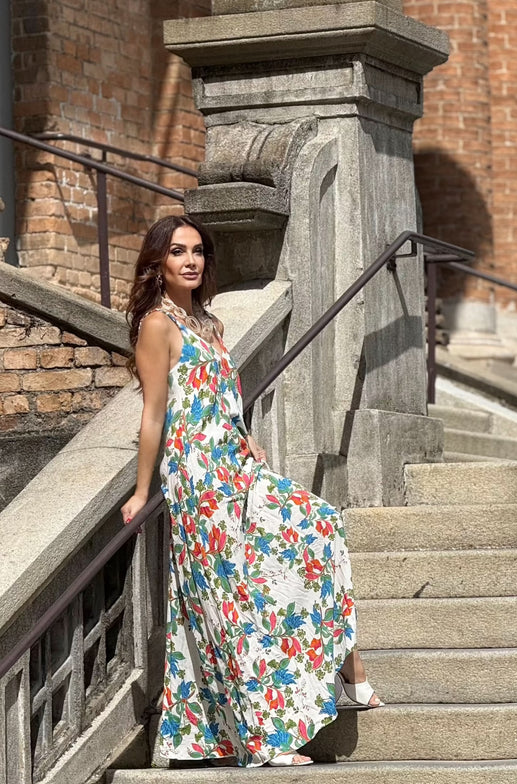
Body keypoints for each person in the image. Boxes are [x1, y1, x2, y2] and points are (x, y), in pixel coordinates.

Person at [121, 215, 383, 768]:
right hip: (195, 478)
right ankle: (263, 737)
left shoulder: (209, 324)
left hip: (235, 468)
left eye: (196, 251)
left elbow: (221, 401)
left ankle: (347, 665)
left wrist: (248, 440)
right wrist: (143, 491)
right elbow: (154, 415)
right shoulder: (156, 326)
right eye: (176, 252)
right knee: (229, 599)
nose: (189, 260)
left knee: (320, 527)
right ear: (158, 263)